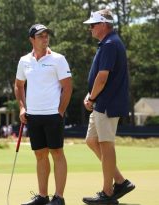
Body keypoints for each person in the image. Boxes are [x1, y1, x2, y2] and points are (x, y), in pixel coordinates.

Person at [82, 9, 135, 205]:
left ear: (104, 24)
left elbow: (102, 78)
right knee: (91, 140)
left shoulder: (111, 44)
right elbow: (100, 77)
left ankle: (108, 192)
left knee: (105, 144)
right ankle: (120, 182)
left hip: (107, 104)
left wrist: (92, 97)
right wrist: (92, 96)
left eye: (93, 25)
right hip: (101, 103)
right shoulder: (108, 43)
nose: (90, 28)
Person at [15, 24, 72, 205]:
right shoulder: (24, 61)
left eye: (46, 35)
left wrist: (60, 111)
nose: (45, 38)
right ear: (32, 39)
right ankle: (42, 196)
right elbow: (18, 85)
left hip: (53, 115)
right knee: (40, 155)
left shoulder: (58, 59)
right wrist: (22, 107)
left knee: (57, 152)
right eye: (40, 36)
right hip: (33, 115)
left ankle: (59, 197)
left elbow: (68, 87)